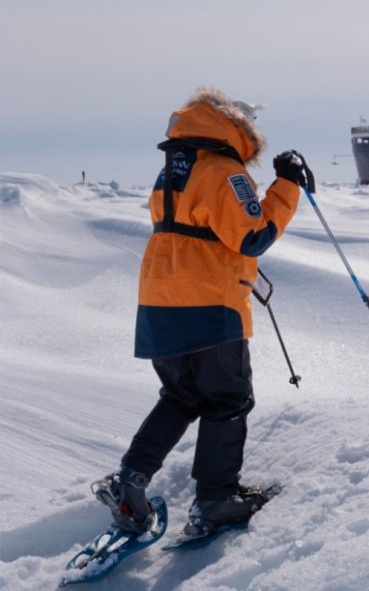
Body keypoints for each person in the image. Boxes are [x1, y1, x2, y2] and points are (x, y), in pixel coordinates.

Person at [92, 87, 305, 539]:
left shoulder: (173, 170)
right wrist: (287, 185)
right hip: (209, 303)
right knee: (227, 400)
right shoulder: (225, 172)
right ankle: (216, 500)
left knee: (182, 397)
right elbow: (252, 237)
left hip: (160, 300)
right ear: (236, 129)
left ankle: (130, 480)